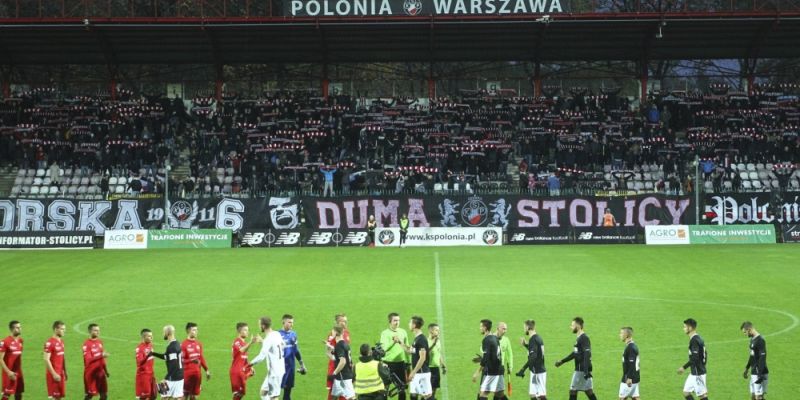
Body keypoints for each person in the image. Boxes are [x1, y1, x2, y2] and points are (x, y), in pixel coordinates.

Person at [555, 317, 597, 400]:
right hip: (583, 369)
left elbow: (587, 354)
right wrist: (562, 361)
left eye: (572, 325)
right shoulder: (579, 338)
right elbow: (575, 354)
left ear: (578, 326)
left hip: (581, 369)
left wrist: (585, 371)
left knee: (573, 390)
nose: (571, 327)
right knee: (588, 391)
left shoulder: (584, 338)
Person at [248, 316, 285, 400]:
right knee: (263, 392)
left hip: (274, 372)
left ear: (263, 326)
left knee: (273, 397)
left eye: (259, 324)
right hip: (279, 369)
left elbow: (261, 356)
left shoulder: (268, 339)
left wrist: (249, 364)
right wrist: (263, 342)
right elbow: (283, 345)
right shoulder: (276, 333)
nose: (259, 326)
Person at [472, 319, 506, 400]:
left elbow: (486, 357)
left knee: (483, 395)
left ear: (485, 328)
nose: (480, 328)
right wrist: (482, 359)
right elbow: (493, 355)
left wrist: (477, 372)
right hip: (499, 369)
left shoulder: (486, 340)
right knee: (499, 394)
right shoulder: (494, 338)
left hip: (492, 371)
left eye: (481, 326)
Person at [379, 313, 409, 400]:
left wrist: (408, 362)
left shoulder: (403, 332)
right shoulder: (385, 333)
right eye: (395, 320)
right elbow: (383, 349)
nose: (397, 322)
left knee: (402, 388)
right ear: (390, 321)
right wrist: (393, 342)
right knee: (385, 388)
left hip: (400, 364)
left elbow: (407, 348)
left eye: (398, 320)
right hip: (387, 364)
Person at [400, 316, 432, 400]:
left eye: (410, 323)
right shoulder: (416, 339)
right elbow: (410, 351)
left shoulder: (421, 339)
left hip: (421, 373)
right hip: (417, 373)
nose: (408, 324)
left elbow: (422, 358)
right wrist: (399, 342)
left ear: (414, 325)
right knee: (413, 395)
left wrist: (413, 372)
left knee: (427, 396)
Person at [150, 325, 184, 400]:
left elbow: (174, 364)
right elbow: (166, 357)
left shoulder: (172, 347)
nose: (163, 334)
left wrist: (166, 378)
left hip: (173, 377)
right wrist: (153, 353)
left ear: (167, 333)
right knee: (178, 398)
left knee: (164, 397)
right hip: (180, 375)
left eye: (164, 332)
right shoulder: (177, 343)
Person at [677, 318, 707, 400]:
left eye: (684, 327)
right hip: (695, 371)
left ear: (690, 328)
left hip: (698, 372)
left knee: (702, 396)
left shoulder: (694, 340)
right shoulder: (698, 338)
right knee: (686, 392)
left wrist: (683, 367)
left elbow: (695, 357)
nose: (683, 329)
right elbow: (705, 355)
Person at [516, 320, 546, 400]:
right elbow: (535, 351)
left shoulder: (533, 339)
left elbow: (533, 357)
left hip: (538, 372)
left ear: (527, 327)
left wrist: (523, 369)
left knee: (541, 396)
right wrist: (526, 345)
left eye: (524, 327)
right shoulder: (537, 338)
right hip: (536, 371)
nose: (524, 329)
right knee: (533, 395)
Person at [279, 315, 307, 400]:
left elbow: (296, 350)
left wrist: (302, 364)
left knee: (287, 393)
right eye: (289, 322)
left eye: (292, 322)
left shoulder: (293, 334)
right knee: (274, 393)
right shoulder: (277, 335)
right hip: (280, 367)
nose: (291, 324)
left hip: (290, 367)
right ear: (283, 322)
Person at [230, 322, 259, 400]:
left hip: (241, 371)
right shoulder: (237, 341)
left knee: (241, 394)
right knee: (239, 393)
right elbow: (241, 351)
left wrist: (250, 366)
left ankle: (248, 374)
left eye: (248, 330)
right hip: (236, 371)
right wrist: (251, 342)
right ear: (240, 331)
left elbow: (244, 357)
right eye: (245, 330)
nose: (247, 332)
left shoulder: (244, 343)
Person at [181, 323, 211, 400]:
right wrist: (191, 360)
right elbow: (181, 360)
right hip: (187, 375)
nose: (196, 331)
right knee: (185, 396)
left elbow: (201, 357)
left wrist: (206, 370)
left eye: (196, 330)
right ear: (188, 331)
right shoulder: (183, 345)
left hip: (197, 374)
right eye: (194, 330)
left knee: (194, 396)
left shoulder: (198, 344)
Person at [326, 314, 351, 400]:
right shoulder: (332, 335)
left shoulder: (347, 333)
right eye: (342, 321)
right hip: (335, 366)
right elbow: (329, 352)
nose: (344, 323)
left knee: (344, 394)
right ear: (337, 322)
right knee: (333, 393)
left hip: (345, 368)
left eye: (345, 321)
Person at [82, 324, 109, 400]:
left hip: (100, 373)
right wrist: (101, 355)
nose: (98, 332)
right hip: (91, 374)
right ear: (90, 331)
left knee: (104, 395)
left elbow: (102, 359)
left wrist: (106, 371)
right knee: (90, 396)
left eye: (98, 330)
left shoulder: (99, 342)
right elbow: (88, 360)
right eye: (95, 330)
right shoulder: (86, 344)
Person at [741, 322, 767, 400]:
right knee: (753, 396)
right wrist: (747, 368)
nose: (745, 334)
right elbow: (752, 356)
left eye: (745, 332)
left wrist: (760, 373)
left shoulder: (760, 340)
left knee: (758, 397)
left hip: (759, 372)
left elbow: (763, 357)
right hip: (753, 371)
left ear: (749, 329)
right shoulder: (752, 339)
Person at [44, 321, 67, 400]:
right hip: (53, 375)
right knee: (55, 398)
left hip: (61, 374)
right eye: (62, 329)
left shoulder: (61, 342)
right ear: (56, 329)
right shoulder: (49, 343)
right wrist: (54, 374)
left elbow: (62, 357)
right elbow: (46, 359)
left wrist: (65, 372)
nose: (64, 331)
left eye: (64, 329)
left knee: (60, 397)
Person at [330, 326, 355, 400]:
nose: (332, 333)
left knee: (351, 398)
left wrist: (334, 373)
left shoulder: (339, 345)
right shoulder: (345, 344)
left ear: (336, 333)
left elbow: (343, 361)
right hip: (340, 377)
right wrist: (328, 348)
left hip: (344, 377)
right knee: (334, 397)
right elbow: (335, 359)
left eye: (333, 332)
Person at [0, 321, 23, 400]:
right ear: (11, 329)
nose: (20, 329)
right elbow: (0, 359)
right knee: (6, 395)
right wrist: (8, 372)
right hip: (9, 373)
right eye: (17, 328)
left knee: (19, 393)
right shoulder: (4, 342)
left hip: (18, 372)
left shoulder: (20, 341)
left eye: (20, 327)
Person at [618, 327, 640, 400]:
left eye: (621, 333)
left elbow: (632, 363)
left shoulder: (630, 348)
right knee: (635, 397)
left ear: (626, 335)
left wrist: (629, 378)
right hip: (635, 377)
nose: (620, 335)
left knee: (622, 398)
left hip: (629, 378)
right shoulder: (632, 346)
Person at [135, 329, 157, 400]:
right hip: (143, 376)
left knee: (153, 396)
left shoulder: (150, 345)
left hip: (151, 374)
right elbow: (139, 362)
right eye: (149, 336)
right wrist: (147, 356)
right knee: (144, 397)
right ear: (144, 337)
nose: (151, 338)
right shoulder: (139, 348)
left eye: (151, 336)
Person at [427, 324, 446, 399]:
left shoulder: (438, 341)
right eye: (436, 330)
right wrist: (433, 344)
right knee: (427, 392)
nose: (438, 332)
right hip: (428, 368)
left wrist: (443, 365)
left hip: (436, 368)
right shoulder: (426, 341)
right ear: (431, 331)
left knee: (434, 389)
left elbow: (439, 353)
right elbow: (425, 353)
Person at [496, 322, 513, 394]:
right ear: (498, 328)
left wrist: (510, 366)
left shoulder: (506, 340)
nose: (505, 331)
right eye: (503, 329)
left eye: (506, 329)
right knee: (484, 390)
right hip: (490, 367)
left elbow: (509, 354)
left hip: (500, 368)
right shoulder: (491, 338)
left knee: (499, 392)